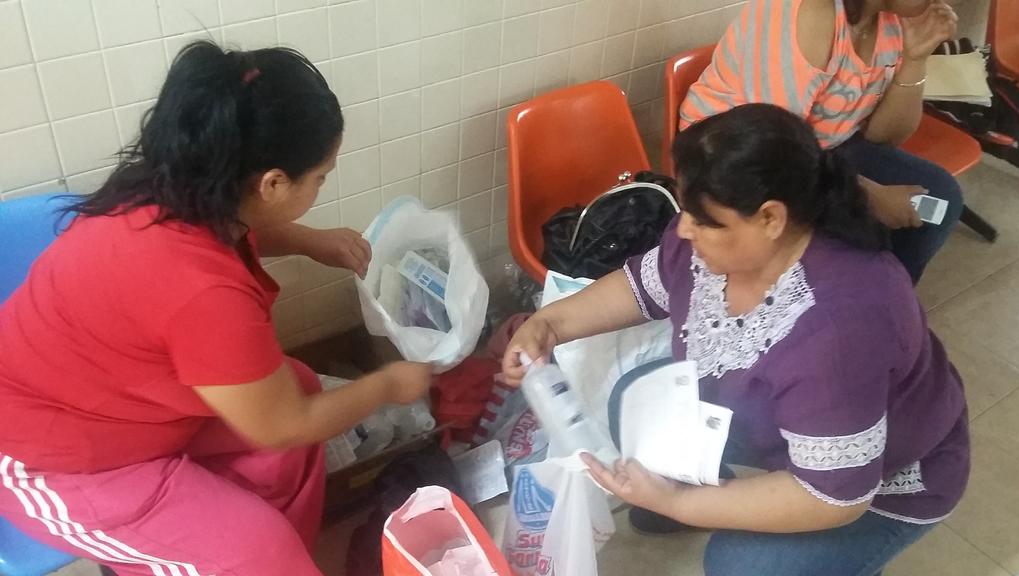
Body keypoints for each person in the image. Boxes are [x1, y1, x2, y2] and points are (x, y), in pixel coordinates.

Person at [0, 42, 431, 576]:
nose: (322, 184)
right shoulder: (204, 294)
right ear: (273, 183)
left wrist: (307, 241)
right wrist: (389, 385)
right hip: (53, 461)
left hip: (127, 406)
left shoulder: (175, 186)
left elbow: (232, 232)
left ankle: (266, 550)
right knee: (259, 547)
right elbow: (284, 425)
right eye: (321, 176)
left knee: (299, 393)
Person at [502, 104, 969, 575]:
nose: (684, 228)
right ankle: (698, 494)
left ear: (770, 218)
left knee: (740, 566)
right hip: (780, 428)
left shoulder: (838, 328)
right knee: (633, 397)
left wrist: (679, 502)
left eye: (705, 221)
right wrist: (551, 324)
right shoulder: (716, 236)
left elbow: (832, 497)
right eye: (687, 209)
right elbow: (642, 287)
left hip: (875, 482)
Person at [679, 0, 962, 284]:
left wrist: (915, 60)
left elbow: (884, 137)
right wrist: (868, 196)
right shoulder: (810, 13)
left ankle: (880, 296)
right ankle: (845, 296)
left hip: (820, 144)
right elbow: (773, 149)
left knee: (941, 196)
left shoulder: (892, 20)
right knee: (852, 232)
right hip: (734, 154)